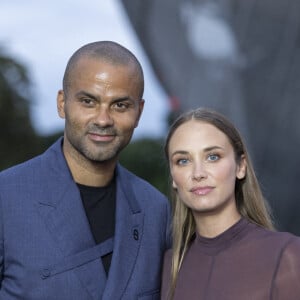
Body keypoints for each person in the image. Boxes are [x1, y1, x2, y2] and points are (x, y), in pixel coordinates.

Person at [0, 41, 170, 300]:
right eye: (88, 101)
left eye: (120, 105)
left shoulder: (155, 209)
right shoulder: (7, 197)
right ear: (62, 103)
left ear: (139, 112)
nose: (103, 119)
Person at [161, 107, 300, 300]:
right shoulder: (167, 267)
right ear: (174, 177)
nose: (198, 173)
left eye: (212, 157)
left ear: (241, 166)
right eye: (183, 161)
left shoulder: (287, 255)